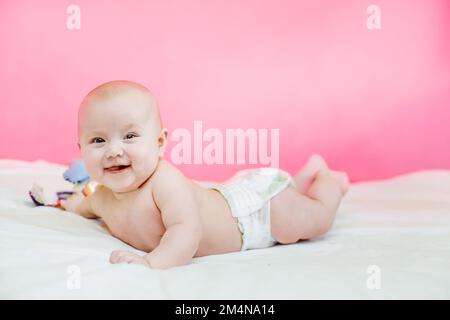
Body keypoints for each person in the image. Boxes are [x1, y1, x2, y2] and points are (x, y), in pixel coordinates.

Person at [61, 80, 349, 269]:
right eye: (98, 141)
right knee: (294, 196)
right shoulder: (102, 195)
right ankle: (302, 177)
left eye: (130, 136)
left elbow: (186, 232)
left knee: (315, 219)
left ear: (159, 143)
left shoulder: (164, 183)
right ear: (81, 148)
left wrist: (150, 264)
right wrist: (68, 204)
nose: (113, 151)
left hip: (257, 214)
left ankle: (327, 181)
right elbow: (86, 205)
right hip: (231, 195)